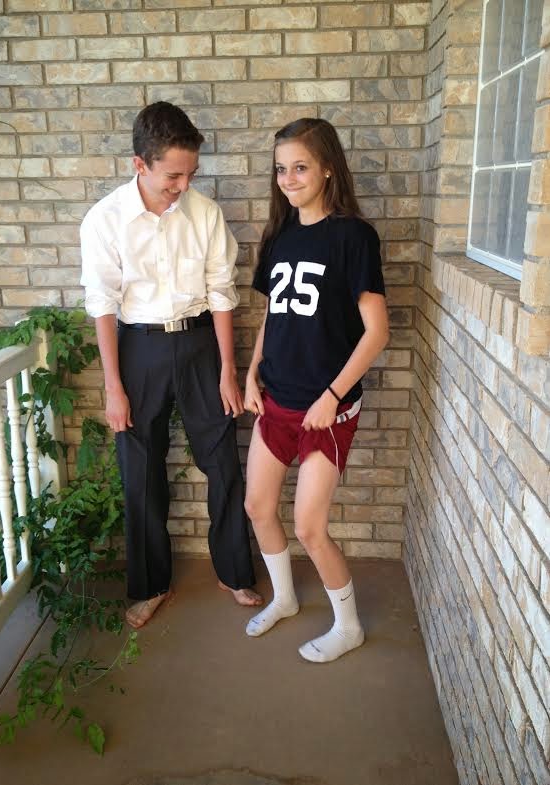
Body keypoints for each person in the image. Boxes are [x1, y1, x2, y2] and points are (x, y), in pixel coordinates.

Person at [80, 101, 262, 629]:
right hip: (138, 349)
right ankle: (149, 585)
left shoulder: (204, 214)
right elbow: (102, 304)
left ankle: (234, 571)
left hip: (201, 344)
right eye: (173, 176)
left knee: (223, 460)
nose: (183, 186)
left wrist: (227, 368)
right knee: (139, 471)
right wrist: (113, 387)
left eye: (191, 174)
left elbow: (221, 292)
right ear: (140, 164)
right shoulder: (105, 219)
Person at [243, 118, 389, 662]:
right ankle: (284, 598)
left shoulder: (354, 236)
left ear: (328, 168)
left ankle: (348, 627)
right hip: (276, 400)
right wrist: (251, 371)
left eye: (300, 167)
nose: (288, 178)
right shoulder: (279, 235)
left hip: (327, 409)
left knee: (309, 526)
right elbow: (273, 315)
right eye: (281, 169)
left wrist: (332, 395)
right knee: (258, 506)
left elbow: (377, 332)